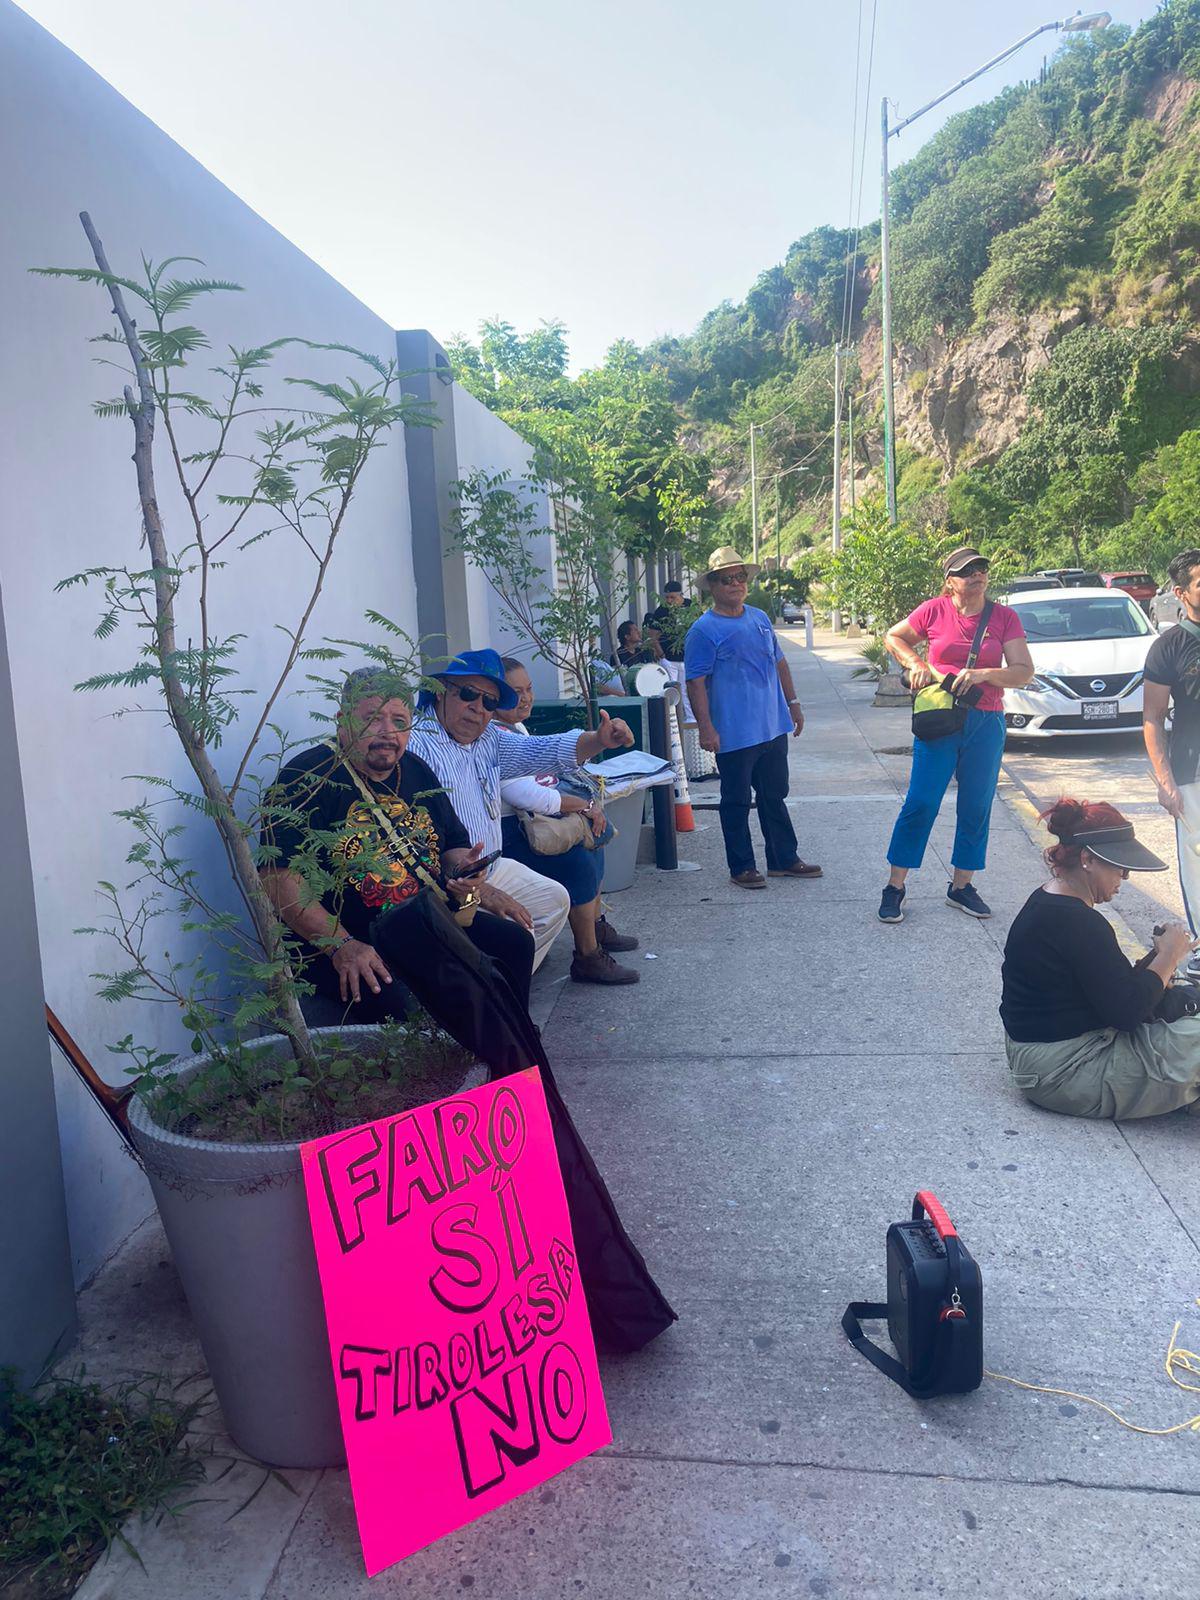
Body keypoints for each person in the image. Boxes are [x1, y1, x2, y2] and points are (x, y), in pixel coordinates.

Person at [259, 668, 536, 1016]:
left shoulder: (416, 769)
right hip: (354, 940)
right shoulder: (306, 778)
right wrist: (341, 945)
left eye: (399, 720)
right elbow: (277, 879)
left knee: (514, 945)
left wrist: (466, 870)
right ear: (342, 721)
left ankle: (510, 1059)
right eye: (373, 719)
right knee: (398, 1001)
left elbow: (452, 845)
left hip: (427, 923)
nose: (388, 733)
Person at [408, 648, 634, 971]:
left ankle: (494, 983)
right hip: (447, 879)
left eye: (489, 702)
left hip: (494, 865)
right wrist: (477, 887)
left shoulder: (487, 738)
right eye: (469, 694)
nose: (477, 708)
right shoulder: (417, 744)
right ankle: (481, 986)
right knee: (518, 932)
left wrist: (598, 740)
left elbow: (542, 750)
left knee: (554, 902)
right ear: (442, 691)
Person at [1000, 798, 1200, 1118]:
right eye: (1118, 865)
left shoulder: (1050, 900)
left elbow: (1108, 985)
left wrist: (1162, 954)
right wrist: (1170, 954)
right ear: (1087, 859)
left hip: (1041, 1056)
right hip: (1062, 1068)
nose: (1125, 875)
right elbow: (1127, 1012)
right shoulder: (1078, 922)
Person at [878, 546, 1033, 925]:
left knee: (976, 805)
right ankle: (895, 887)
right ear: (950, 582)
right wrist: (914, 662)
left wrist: (982, 674)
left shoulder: (1004, 617)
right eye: (966, 572)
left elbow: (1023, 671)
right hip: (941, 718)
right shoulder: (934, 610)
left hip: (986, 720)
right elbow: (893, 637)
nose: (976, 575)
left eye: (981, 568)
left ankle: (961, 886)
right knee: (921, 802)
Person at [495, 658, 640, 986]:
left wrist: (586, 808)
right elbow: (526, 795)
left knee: (594, 839)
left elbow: (548, 769)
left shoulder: (515, 727)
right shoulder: (494, 735)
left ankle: (596, 923)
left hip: (531, 821)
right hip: (509, 832)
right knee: (576, 863)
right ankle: (587, 957)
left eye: (529, 689)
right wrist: (584, 805)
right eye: (515, 692)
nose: (526, 698)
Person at [684, 545, 820, 889]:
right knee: (736, 800)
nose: (735, 584)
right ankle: (742, 867)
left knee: (775, 795)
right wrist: (706, 729)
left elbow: (780, 663)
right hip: (733, 733)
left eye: (740, 577)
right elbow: (695, 682)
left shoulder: (758, 618)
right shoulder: (704, 630)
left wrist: (793, 703)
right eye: (726, 579)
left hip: (772, 726)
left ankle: (783, 859)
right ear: (712, 586)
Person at [1142, 547, 1200, 979]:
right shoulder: (1169, 647)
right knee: (1199, 870)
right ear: (1181, 593)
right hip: (1192, 774)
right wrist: (1165, 780)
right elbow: (1153, 718)